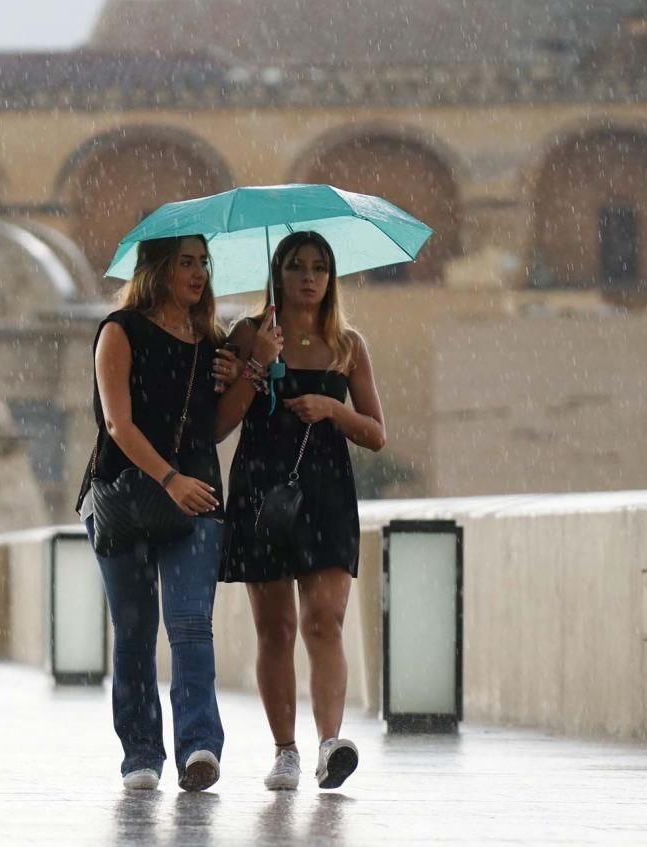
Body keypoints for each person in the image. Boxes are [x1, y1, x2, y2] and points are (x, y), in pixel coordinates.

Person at [217, 231, 385, 791]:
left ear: (331, 278)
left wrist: (333, 408)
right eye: (296, 267)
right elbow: (220, 424)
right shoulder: (250, 334)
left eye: (319, 268)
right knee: (276, 627)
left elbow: (377, 434)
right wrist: (255, 366)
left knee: (323, 621)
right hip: (261, 489)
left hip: (327, 491)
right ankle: (284, 750)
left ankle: (330, 743)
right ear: (278, 274)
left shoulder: (347, 344)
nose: (308, 278)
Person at [75, 235, 238, 793]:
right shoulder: (120, 331)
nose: (197, 273)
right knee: (136, 631)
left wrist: (251, 369)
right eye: (185, 262)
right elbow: (117, 423)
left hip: (198, 498)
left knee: (192, 625)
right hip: (126, 497)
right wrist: (168, 479)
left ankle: (199, 747)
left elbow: (213, 428)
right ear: (158, 268)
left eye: (202, 263)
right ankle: (141, 752)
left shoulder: (210, 340)